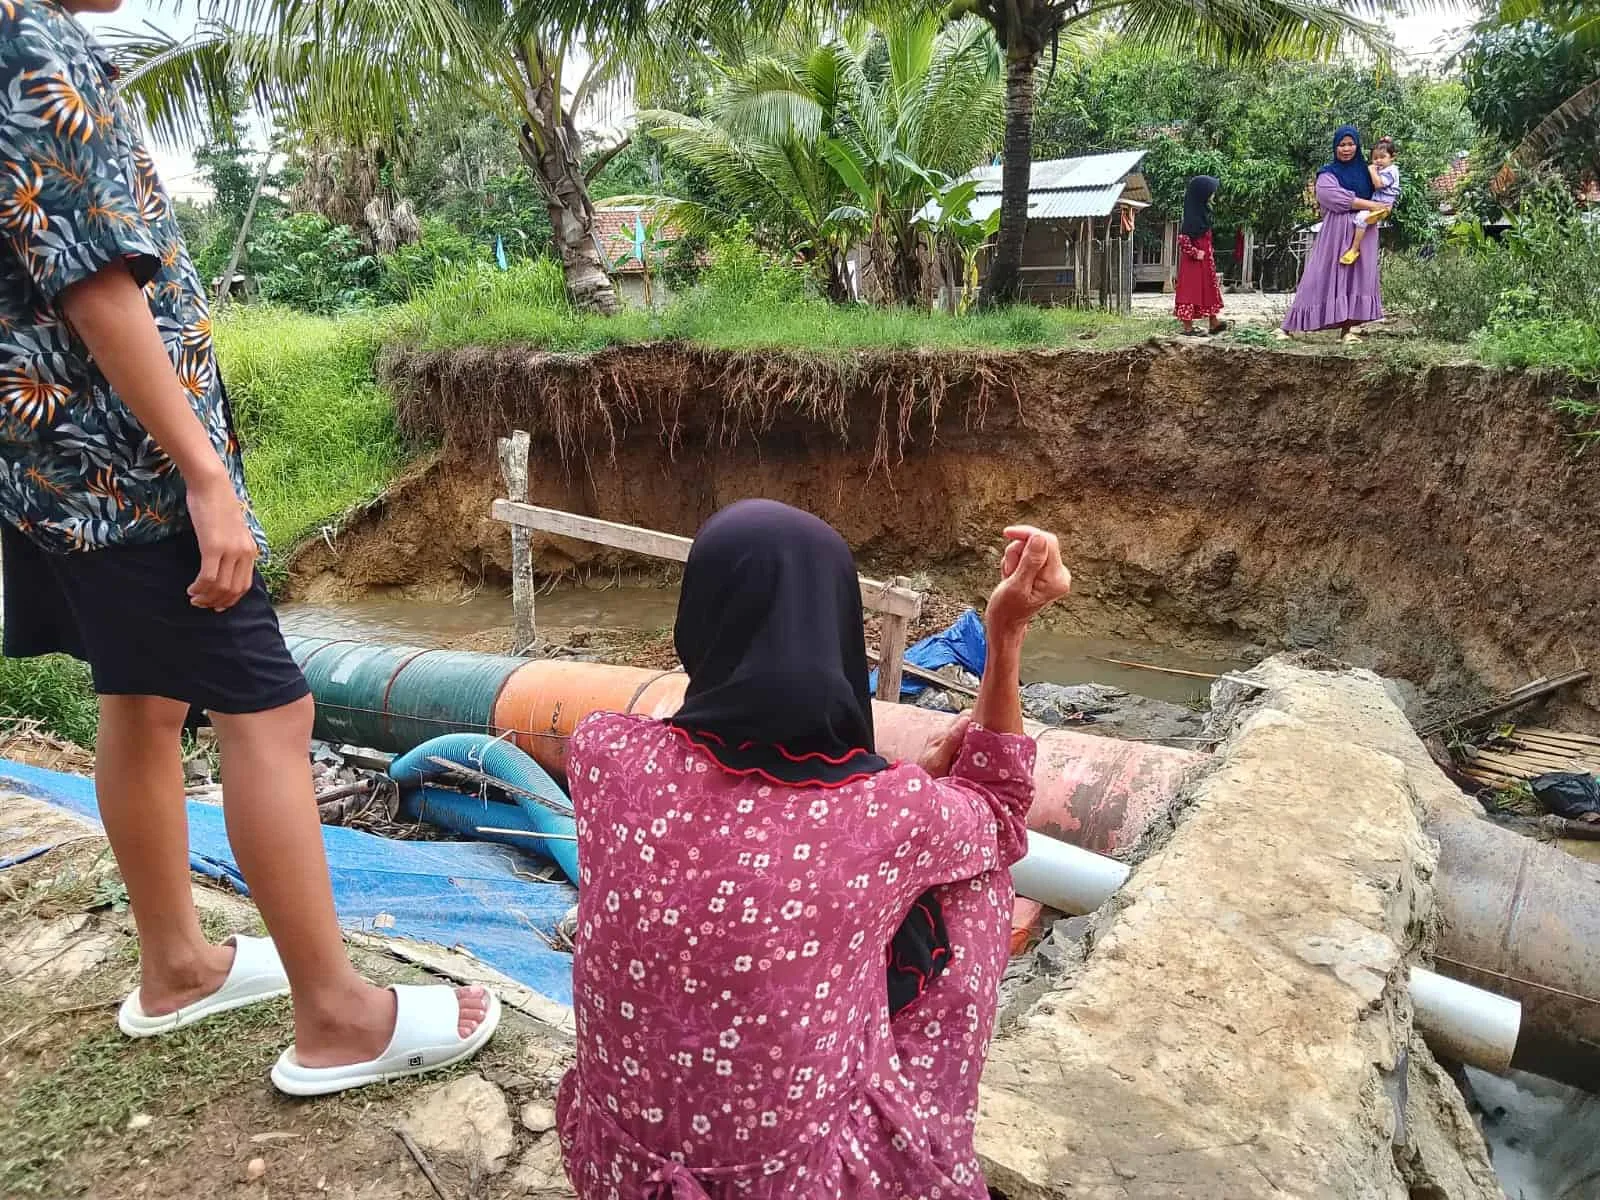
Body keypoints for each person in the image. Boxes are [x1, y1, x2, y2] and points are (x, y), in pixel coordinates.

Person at [1, 0, 496, 1094]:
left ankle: (178, 962)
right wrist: (204, 475)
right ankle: (338, 1018)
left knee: (140, 698)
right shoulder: (28, 38)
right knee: (268, 711)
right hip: (123, 470)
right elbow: (95, 285)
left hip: (42, 463)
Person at [556, 499, 1072, 1199]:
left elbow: (728, 831)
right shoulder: (888, 813)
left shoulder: (603, 751)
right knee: (973, 881)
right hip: (787, 1183)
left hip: (618, 1166)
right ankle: (923, 1140)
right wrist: (1005, 631)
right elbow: (1000, 815)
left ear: (699, 623)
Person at [1278, 125, 1391, 344]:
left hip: (1364, 231)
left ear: (1357, 146)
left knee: (1356, 278)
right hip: (1336, 231)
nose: (1346, 149)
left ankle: (1347, 330)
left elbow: (1388, 193)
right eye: (1342, 144)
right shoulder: (1328, 172)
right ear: (1335, 146)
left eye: (1350, 144)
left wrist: (1382, 206)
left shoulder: (1369, 173)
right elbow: (1331, 197)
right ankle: (1287, 326)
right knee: (1319, 275)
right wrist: (1371, 204)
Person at [1174, 175, 1228, 336]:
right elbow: (1183, 239)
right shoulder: (1192, 217)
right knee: (1190, 293)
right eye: (1211, 192)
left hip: (1205, 263)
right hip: (1193, 265)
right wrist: (1195, 253)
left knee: (1209, 290)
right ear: (1202, 194)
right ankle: (1188, 328)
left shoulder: (1203, 213)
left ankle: (1213, 322)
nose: (1213, 195)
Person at [1340, 137, 1400, 267]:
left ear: (1392, 157)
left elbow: (1378, 184)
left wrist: (1372, 170)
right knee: (1361, 218)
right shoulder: (1383, 169)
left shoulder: (1391, 171)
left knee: (1361, 219)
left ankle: (1354, 249)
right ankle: (1377, 215)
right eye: (1375, 158)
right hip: (1377, 202)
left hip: (1382, 203)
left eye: (1382, 157)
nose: (1378, 161)